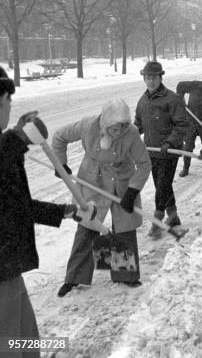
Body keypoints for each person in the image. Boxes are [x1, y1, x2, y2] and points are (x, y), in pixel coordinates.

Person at [1, 73, 98, 349]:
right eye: (8, 99)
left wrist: (68, 211)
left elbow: (18, 205)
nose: (10, 107)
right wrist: (16, 139)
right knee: (8, 344)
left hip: (9, 269)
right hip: (1, 271)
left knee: (27, 339)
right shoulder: (5, 148)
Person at [52, 99, 151, 296]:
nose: (120, 130)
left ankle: (125, 275)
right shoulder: (88, 126)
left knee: (124, 227)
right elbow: (59, 137)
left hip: (122, 179)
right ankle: (75, 278)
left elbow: (144, 163)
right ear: (105, 123)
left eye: (123, 126)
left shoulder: (131, 132)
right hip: (93, 180)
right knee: (88, 225)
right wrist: (60, 165)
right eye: (116, 127)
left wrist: (132, 190)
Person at [134, 61, 189, 239]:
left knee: (162, 187)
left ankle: (157, 221)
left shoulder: (172, 99)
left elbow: (182, 125)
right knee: (161, 185)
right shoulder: (143, 101)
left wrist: (170, 143)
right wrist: (129, 136)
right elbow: (138, 125)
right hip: (151, 152)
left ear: (160, 77)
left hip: (168, 153)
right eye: (147, 78)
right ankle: (173, 217)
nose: (150, 81)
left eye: (153, 78)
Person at [176, 76, 202, 177]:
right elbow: (180, 85)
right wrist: (181, 101)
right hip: (191, 121)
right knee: (188, 146)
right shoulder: (196, 85)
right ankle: (185, 168)